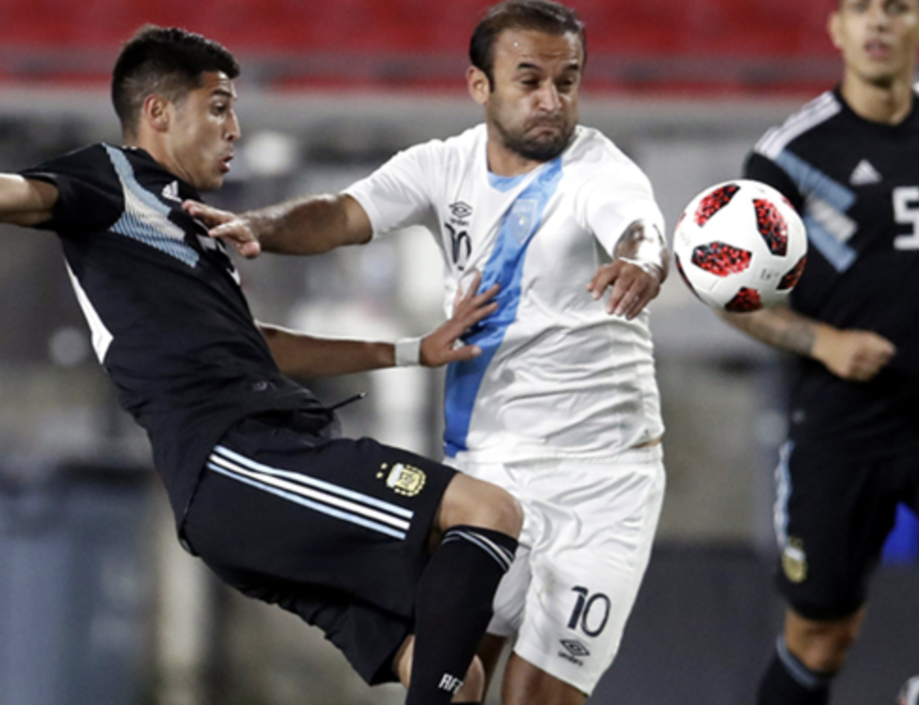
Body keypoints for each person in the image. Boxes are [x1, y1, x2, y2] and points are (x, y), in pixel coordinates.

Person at [0, 26, 526, 705]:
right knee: (488, 512)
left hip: (253, 478)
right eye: (218, 106)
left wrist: (410, 351)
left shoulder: (189, 228)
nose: (235, 127)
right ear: (159, 113)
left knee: (455, 673)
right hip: (242, 459)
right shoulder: (109, 181)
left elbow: (257, 343)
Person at [184, 2, 668, 703]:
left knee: (534, 695)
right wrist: (257, 223)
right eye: (529, 79)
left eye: (567, 81)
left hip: (605, 484)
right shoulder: (441, 168)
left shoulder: (600, 168)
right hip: (491, 476)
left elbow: (639, 226)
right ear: (480, 86)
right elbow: (341, 214)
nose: (550, 100)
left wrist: (645, 261)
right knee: (446, 677)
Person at [721, 0, 919, 703]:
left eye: (898, 7)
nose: (879, 23)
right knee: (820, 637)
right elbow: (729, 285)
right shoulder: (791, 155)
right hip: (842, 425)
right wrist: (822, 340)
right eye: (861, 8)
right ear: (836, 28)